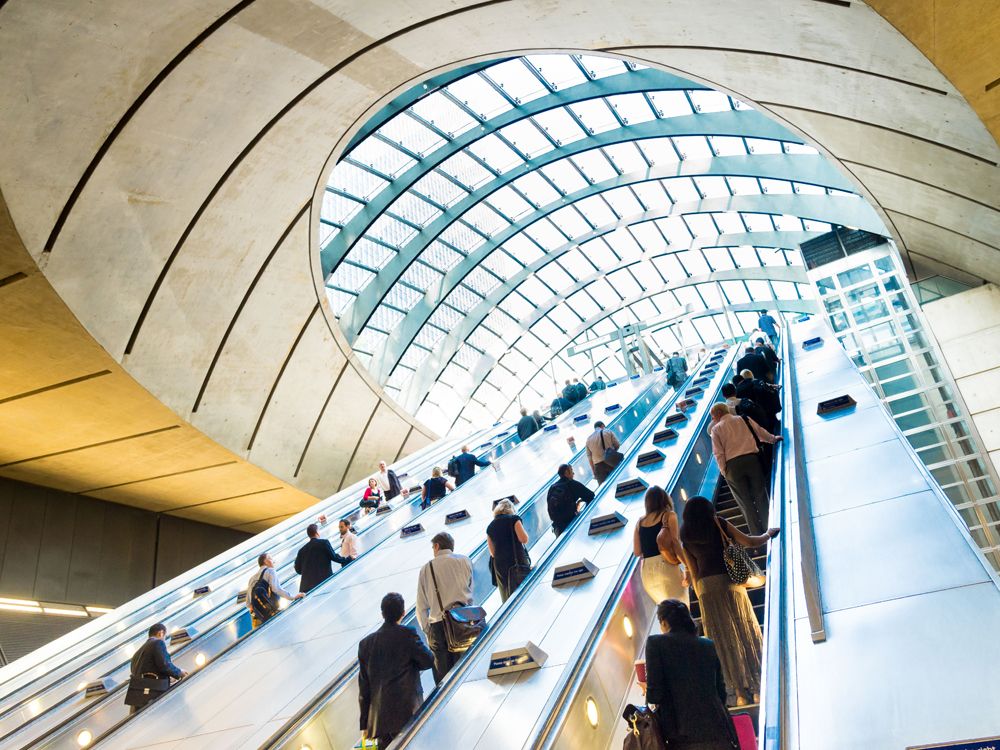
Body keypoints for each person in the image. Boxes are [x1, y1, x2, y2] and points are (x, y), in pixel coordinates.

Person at [681, 496, 778, 706]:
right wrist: (768, 534)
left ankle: (737, 693)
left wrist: (704, 600)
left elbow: (693, 571)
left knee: (723, 641)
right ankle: (756, 688)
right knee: (744, 630)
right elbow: (750, 541)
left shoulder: (685, 535)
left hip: (706, 590)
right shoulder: (719, 522)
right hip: (729, 582)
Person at [641, 600, 739, 749]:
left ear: (664, 622)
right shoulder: (707, 645)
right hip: (719, 730)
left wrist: (647, 687)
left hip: (682, 735)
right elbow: (721, 692)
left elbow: (655, 695)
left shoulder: (656, 643)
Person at [358, 592, 434, 748]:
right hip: (408, 713)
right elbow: (428, 661)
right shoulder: (407, 634)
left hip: (380, 720)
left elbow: (364, 688)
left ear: (382, 614)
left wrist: (364, 723)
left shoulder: (365, 644)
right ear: (403, 613)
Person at [709, 403, 780, 534]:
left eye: (713, 417)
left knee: (745, 502)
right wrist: (773, 439)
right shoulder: (743, 419)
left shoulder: (716, 429)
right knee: (761, 495)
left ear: (719, 414)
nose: (713, 420)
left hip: (732, 467)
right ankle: (769, 527)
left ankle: (757, 535)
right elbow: (759, 431)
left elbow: (718, 453)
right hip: (752, 460)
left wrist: (724, 471)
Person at [415, 531, 474, 683]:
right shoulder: (465, 561)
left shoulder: (427, 568)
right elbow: (470, 591)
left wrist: (428, 631)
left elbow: (421, 605)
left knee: (443, 678)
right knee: (467, 669)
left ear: (436, 546)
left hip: (439, 626)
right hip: (464, 621)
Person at [633, 486, 689, 605]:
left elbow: (637, 552)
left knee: (667, 612)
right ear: (665, 499)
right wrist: (688, 567)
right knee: (680, 608)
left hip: (647, 572)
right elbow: (675, 543)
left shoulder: (639, 522)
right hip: (666, 566)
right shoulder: (669, 515)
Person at [124, 622, 188, 714]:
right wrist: (179, 672)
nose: (164, 640)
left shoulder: (137, 653)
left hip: (138, 698)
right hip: (153, 695)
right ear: (161, 633)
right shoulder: (158, 643)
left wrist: (167, 679)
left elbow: (145, 671)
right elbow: (164, 664)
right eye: (165, 637)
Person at [486, 498, 530, 601]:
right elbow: (524, 539)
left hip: (500, 567)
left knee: (507, 594)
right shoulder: (514, 519)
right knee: (523, 590)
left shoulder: (490, 526)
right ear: (511, 509)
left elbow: (492, 553)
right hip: (516, 561)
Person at [246, 552, 303, 628]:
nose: (273, 561)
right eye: (270, 558)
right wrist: (293, 597)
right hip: (272, 610)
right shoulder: (270, 571)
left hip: (261, 616)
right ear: (265, 561)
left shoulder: (251, 579)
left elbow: (248, 603)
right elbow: (276, 589)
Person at [294, 523, 351, 593]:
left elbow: (298, 570)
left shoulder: (301, 551)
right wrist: (348, 559)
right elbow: (334, 557)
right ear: (317, 532)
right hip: (324, 583)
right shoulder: (324, 543)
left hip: (306, 588)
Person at [546, 463, 595, 534]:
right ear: (566, 473)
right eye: (571, 470)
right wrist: (581, 500)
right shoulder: (572, 484)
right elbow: (590, 495)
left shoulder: (552, 487)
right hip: (571, 522)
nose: (573, 473)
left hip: (558, 527)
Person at [585, 420, 621, 485]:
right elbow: (617, 445)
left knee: (603, 488)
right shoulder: (608, 432)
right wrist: (612, 452)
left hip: (598, 467)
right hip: (611, 462)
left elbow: (590, 459)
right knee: (617, 482)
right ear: (602, 426)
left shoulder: (588, 440)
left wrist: (594, 472)